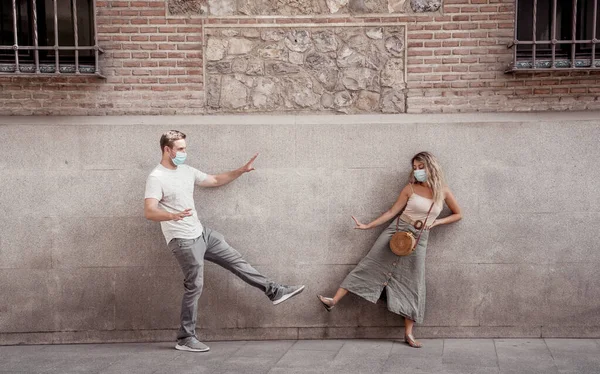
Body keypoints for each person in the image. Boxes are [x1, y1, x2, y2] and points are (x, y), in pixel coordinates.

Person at [144, 130, 305, 353]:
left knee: (237, 261)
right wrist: (171, 215)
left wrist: (241, 171)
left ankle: (274, 291)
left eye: (185, 148)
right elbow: (150, 211)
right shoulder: (156, 177)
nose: (184, 153)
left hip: (202, 234)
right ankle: (185, 338)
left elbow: (215, 179)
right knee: (195, 286)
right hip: (182, 240)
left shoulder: (186, 171)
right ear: (166, 149)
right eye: (180, 149)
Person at [317, 151, 462, 348]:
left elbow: (458, 214)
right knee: (370, 263)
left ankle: (409, 334)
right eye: (415, 168)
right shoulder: (410, 188)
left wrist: (436, 223)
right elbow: (392, 212)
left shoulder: (443, 191)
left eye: (421, 167)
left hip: (419, 237)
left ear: (431, 167)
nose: (418, 171)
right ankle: (333, 300)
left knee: (413, 280)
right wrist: (369, 226)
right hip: (397, 231)